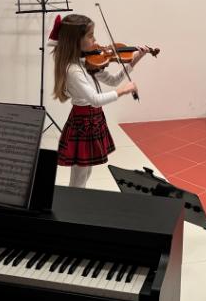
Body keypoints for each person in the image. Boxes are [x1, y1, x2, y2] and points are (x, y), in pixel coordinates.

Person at [53, 14, 148, 188]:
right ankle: (74, 199)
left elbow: (113, 80)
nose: (95, 40)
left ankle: (79, 197)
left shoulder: (88, 63)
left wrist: (134, 60)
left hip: (93, 119)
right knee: (80, 173)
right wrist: (123, 91)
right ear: (75, 40)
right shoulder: (74, 70)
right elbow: (95, 100)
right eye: (90, 36)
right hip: (83, 122)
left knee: (86, 171)